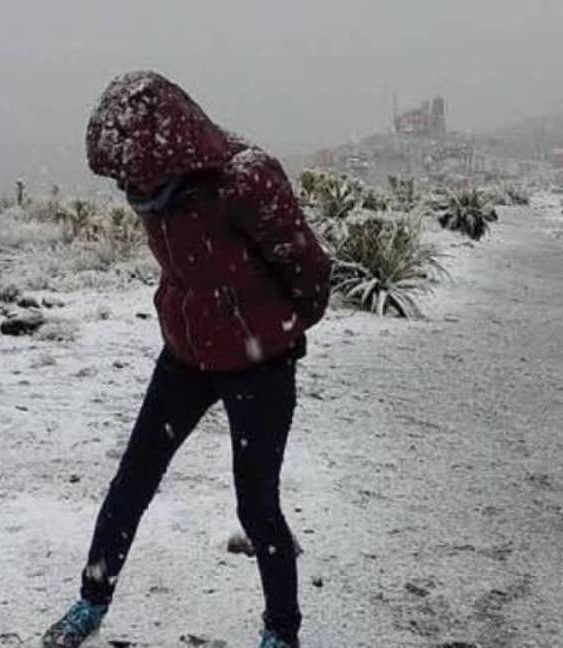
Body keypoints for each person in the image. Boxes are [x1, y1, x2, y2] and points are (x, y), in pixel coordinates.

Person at [42, 71, 332, 648]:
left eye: (135, 174)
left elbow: (308, 269)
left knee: (257, 504)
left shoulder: (246, 180)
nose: (129, 187)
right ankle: (91, 599)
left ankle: (282, 631)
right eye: (120, 175)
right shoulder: (152, 182)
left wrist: (276, 331)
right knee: (134, 478)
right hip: (187, 358)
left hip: (260, 362)